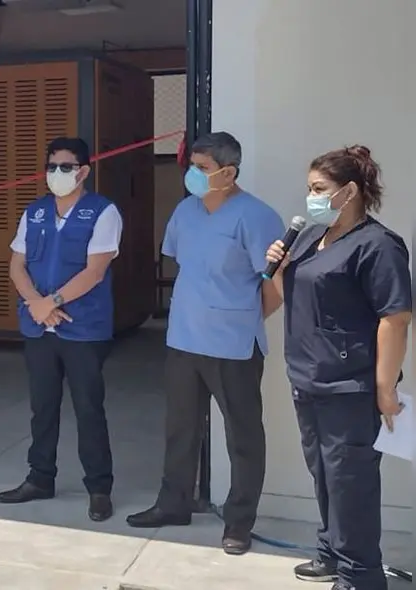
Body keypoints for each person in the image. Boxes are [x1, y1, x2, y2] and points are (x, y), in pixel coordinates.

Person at [126, 132, 284, 555]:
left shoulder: (256, 217)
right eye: (191, 166)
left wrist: (243, 317)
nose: (193, 175)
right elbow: (184, 263)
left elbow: (275, 287)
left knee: (243, 437)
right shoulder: (186, 211)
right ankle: (173, 502)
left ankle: (239, 522)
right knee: (180, 428)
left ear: (228, 173)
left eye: (202, 168)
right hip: (184, 339)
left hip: (233, 345)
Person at [264, 146, 410, 590]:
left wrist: (384, 388)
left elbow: (395, 317)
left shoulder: (378, 245)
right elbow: (288, 296)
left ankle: (360, 576)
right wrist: (278, 270)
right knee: (324, 475)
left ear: (350, 192)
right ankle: (331, 551)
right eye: (309, 189)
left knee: (351, 484)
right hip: (308, 379)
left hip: (351, 386)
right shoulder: (309, 238)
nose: (310, 198)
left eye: (318, 189)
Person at [0, 137, 122, 522]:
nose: (56, 174)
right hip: (39, 328)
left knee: (88, 409)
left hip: (83, 329)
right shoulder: (34, 213)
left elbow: (95, 270)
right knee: (42, 408)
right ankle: (40, 478)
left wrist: (51, 303)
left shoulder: (103, 212)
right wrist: (36, 303)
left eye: (65, 167)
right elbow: (17, 265)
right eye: (51, 167)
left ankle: (99, 488)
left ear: (83, 171)